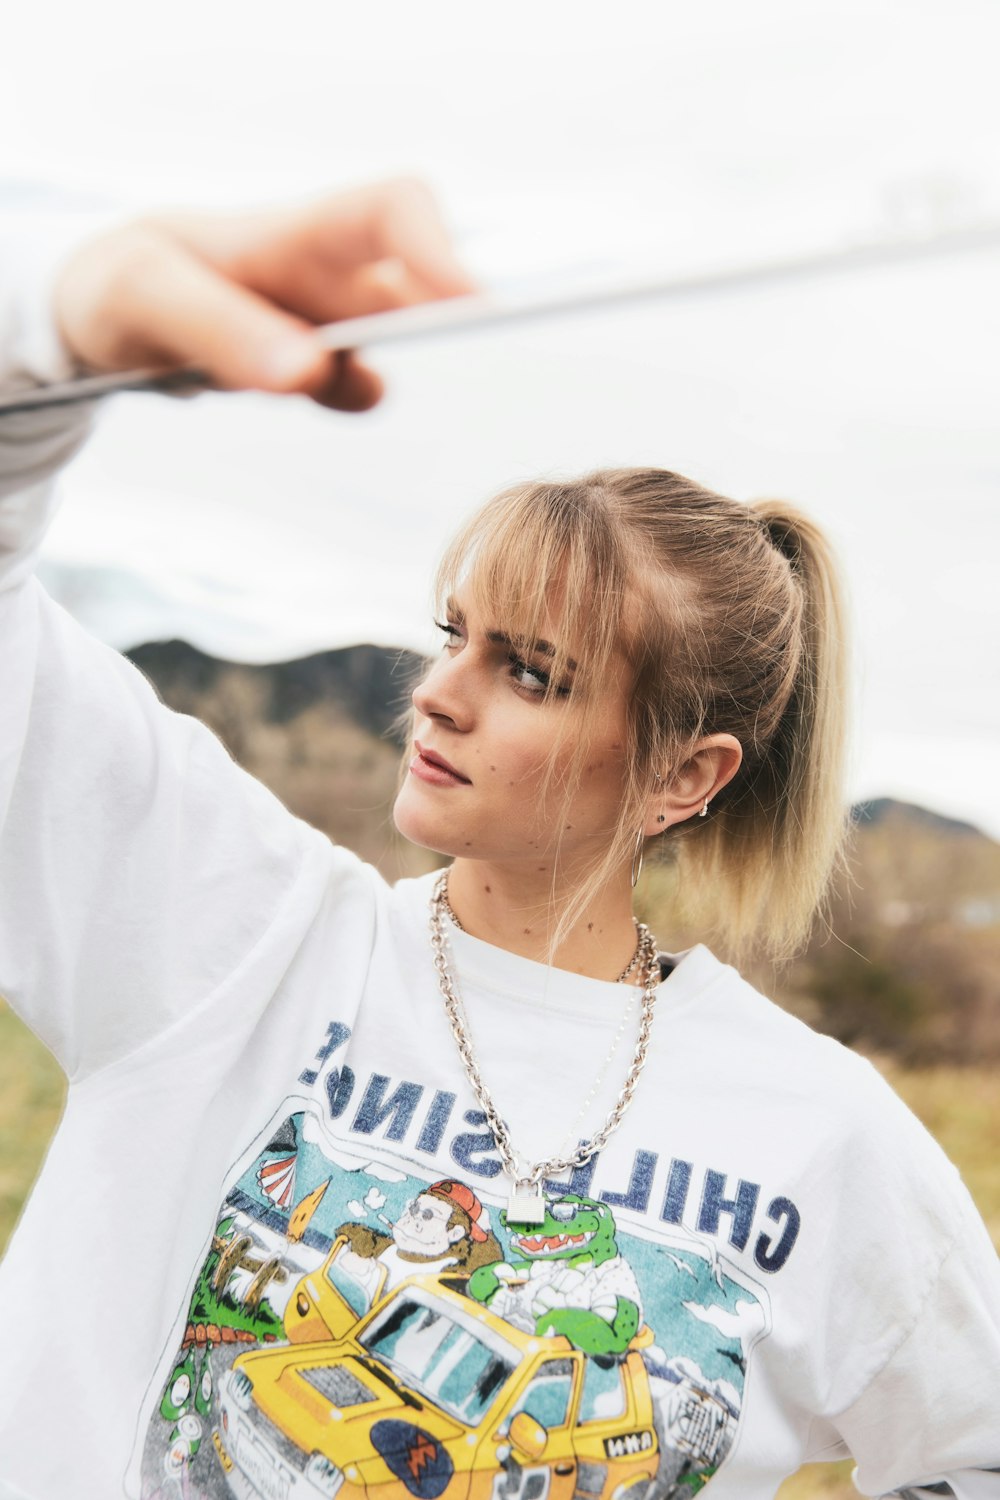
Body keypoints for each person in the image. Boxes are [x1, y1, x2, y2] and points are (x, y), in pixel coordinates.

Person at [0, 181, 997, 1500]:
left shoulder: (822, 1132)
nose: (440, 694)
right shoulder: (233, 935)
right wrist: (56, 333)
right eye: (451, 634)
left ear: (684, 775)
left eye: (531, 670)